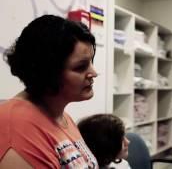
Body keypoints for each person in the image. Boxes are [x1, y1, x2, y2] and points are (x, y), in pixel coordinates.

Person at [0, 15, 98, 168]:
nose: (94, 72)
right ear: (48, 72)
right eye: (80, 67)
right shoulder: (15, 126)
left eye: (91, 62)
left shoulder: (63, 117)